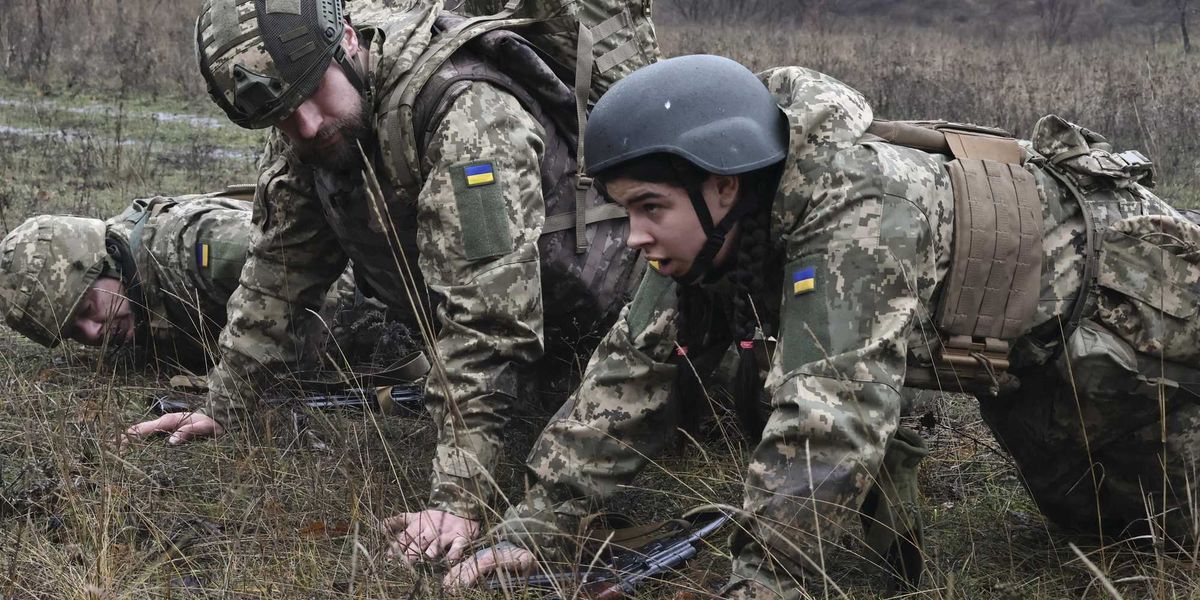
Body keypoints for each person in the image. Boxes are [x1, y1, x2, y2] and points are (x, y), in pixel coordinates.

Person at [441, 55, 1200, 598]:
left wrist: (757, 585)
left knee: (1176, 538)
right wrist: (538, 526)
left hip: (1145, 317)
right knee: (1104, 529)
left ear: (722, 184)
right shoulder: (721, 227)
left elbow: (828, 427)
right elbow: (630, 373)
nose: (634, 236)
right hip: (1033, 362)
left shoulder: (857, 218)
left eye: (648, 208)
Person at [125, 0, 650, 558]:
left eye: (310, 93)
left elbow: (489, 319)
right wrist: (223, 404)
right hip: (542, 337)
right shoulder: (309, 117)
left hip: (622, 327)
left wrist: (458, 500)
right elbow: (280, 271)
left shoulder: (468, 116)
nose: (303, 124)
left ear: (348, 40)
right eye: (279, 114)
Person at [0, 190, 389, 373]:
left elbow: (330, 275)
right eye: (74, 331)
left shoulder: (198, 247)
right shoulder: (137, 295)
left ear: (105, 262)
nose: (93, 332)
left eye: (87, 308)